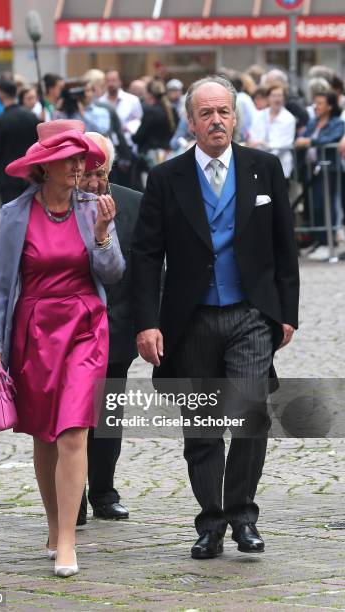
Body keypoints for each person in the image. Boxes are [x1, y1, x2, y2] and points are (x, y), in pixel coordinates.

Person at [132, 76, 299, 560]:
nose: (216, 121)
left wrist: (286, 314)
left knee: (251, 415)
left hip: (250, 313)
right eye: (205, 113)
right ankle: (210, 523)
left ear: (235, 116)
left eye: (223, 111)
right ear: (190, 122)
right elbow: (146, 255)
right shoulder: (166, 178)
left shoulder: (264, 169)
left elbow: (285, 248)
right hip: (191, 318)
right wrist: (147, 321)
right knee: (202, 425)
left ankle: (243, 516)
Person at [0, 120, 125, 577]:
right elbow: (0, 288)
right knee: (43, 433)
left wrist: (103, 233)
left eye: (82, 158)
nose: (80, 166)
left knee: (73, 430)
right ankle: (53, 522)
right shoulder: (16, 214)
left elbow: (114, 272)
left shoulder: (93, 207)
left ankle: (68, 539)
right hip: (35, 332)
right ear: (45, 166)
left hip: (85, 327)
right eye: (71, 159)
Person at [79, 131, 142, 523]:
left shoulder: (133, 203)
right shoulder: (57, 204)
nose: (93, 181)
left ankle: (103, 491)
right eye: (85, 172)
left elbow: (148, 270)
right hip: (69, 328)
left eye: (100, 172)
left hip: (117, 326)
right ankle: (72, 497)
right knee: (71, 415)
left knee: (108, 415)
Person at [295, 91, 344, 261]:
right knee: (315, 205)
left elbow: (329, 138)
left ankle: (328, 242)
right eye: (315, 103)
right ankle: (319, 240)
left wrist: (309, 142)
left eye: (320, 103)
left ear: (330, 106)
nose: (317, 107)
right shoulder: (314, 122)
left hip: (329, 169)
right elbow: (302, 138)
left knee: (327, 205)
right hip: (313, 169)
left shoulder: (337, 123)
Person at [0, 80, 39, 204]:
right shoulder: (32, 116)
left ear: (0, 94)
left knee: (11, 215)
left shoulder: (1, 120)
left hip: (8, 176)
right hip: (31, 174)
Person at [133, 79, 178, 185]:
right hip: (168, 154)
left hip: (150, 156)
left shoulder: (151, 112)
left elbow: (139, 137)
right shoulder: (171, 110)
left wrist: (132, 136)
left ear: (149, 94)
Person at [248, 83, 296, 180]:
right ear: (268, 98)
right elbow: (253, 138)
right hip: (259, 166)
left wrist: (263, 145)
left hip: (280, 166)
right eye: (273, 95)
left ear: (284, 99)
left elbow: (284, 144)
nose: (276, 99)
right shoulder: (259, 115)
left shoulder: (289, 118)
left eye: (279, 96)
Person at [99, 69, 143, 145]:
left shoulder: (132, 100)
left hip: (128, 144)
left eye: (113, 80)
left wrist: (127, 127)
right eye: (108, 81)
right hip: (107, 145)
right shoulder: (100, 102)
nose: (110, 84)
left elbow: (139, 119)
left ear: (120, 81)